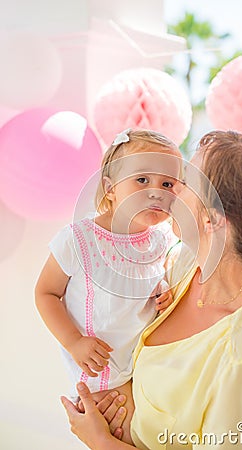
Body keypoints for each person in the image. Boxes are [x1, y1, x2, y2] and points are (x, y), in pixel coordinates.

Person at [61, 130, 242, 449]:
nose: (169, 192)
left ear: (212, 219)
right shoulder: (186, 265)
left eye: (184, 183)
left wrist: (101, 441)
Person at [35, 129, 182, 444]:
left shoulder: (162, 239)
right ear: (110, 188)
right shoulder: (79, 239)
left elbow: (159, 280)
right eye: (142, 180)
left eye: (167, 184)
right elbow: (46, 293)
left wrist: (166, 290)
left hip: (144, 369)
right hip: (102, 372)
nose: (155, 192)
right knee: (121, 434)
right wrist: (74, 342)